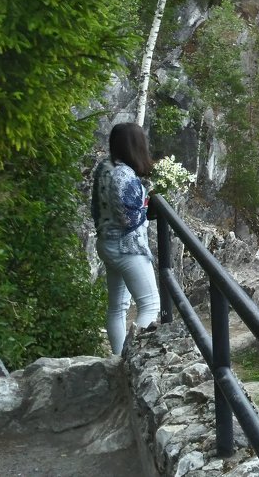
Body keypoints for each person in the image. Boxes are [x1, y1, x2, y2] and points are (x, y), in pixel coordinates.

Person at [91, 122, 161, 355]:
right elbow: (129, 219)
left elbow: (98, 207)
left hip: (106, 243)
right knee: (151, 306)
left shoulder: (105, 167)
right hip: (127, 247)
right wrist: (148, 208)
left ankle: (118, 358)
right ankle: (130, 360)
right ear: (136, 145)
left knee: (118, 308)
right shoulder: (124, 175)